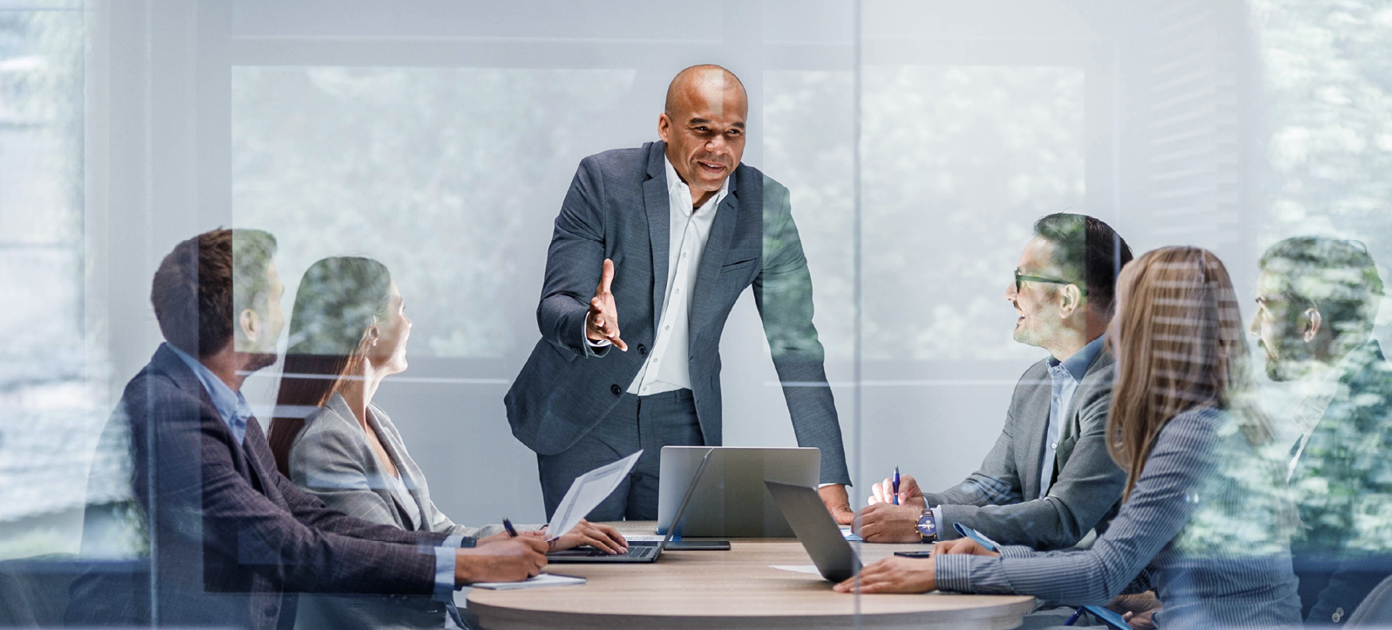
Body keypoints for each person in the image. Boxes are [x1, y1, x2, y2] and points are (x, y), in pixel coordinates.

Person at [66, 230, 547, 630]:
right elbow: (287, 547)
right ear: (249, 322)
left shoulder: (216, 403)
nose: (290, 320)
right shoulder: (171, 414)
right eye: (276, 300)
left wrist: (469, 549)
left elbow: (314, 520)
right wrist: (464, 565)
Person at [838, 246, 1304, 630]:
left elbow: (1102, 570)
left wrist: (940, 570)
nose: (1113, 328)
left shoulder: (1193, 432)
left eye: (1125, 311)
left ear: (1146, 327)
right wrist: (999, 554)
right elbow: (1139, 561)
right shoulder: (1212, 419)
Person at [505, 64, 853, 522]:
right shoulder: (605, 180)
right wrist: (589, 325)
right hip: (586, 412)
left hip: (683, 423)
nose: (718, 148)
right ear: (665, 126)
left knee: (679, 579)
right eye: (702, 130)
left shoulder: (766, 209)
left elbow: (796, 347)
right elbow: (557, 303)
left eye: (734, 133)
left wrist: (829, 478)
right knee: (593, 569)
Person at [266, 256, 628, 630]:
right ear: (370, 330)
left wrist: (543, 536)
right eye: (400, 309)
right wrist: (502, 556)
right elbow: (388, 560)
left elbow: (439, 533)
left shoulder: (376, 422)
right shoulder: (326, 441)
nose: (408, 322)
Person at [856, 213, 1131, 550]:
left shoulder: (1122, 387)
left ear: (1067, 301)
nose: (1009, 293)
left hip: (1106, 597)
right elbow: (994, 487)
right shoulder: (1035, 382)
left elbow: (1064, 518)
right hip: (1035, 584)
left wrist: (926, 524)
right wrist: (923, 506)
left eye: (1023, 279)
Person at [1252, 236, 1392, 626]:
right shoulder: (1341, 408)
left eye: (1264, 307)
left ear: (1309, 324)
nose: (1252, 328)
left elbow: (1365, 569)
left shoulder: (1373, 414)